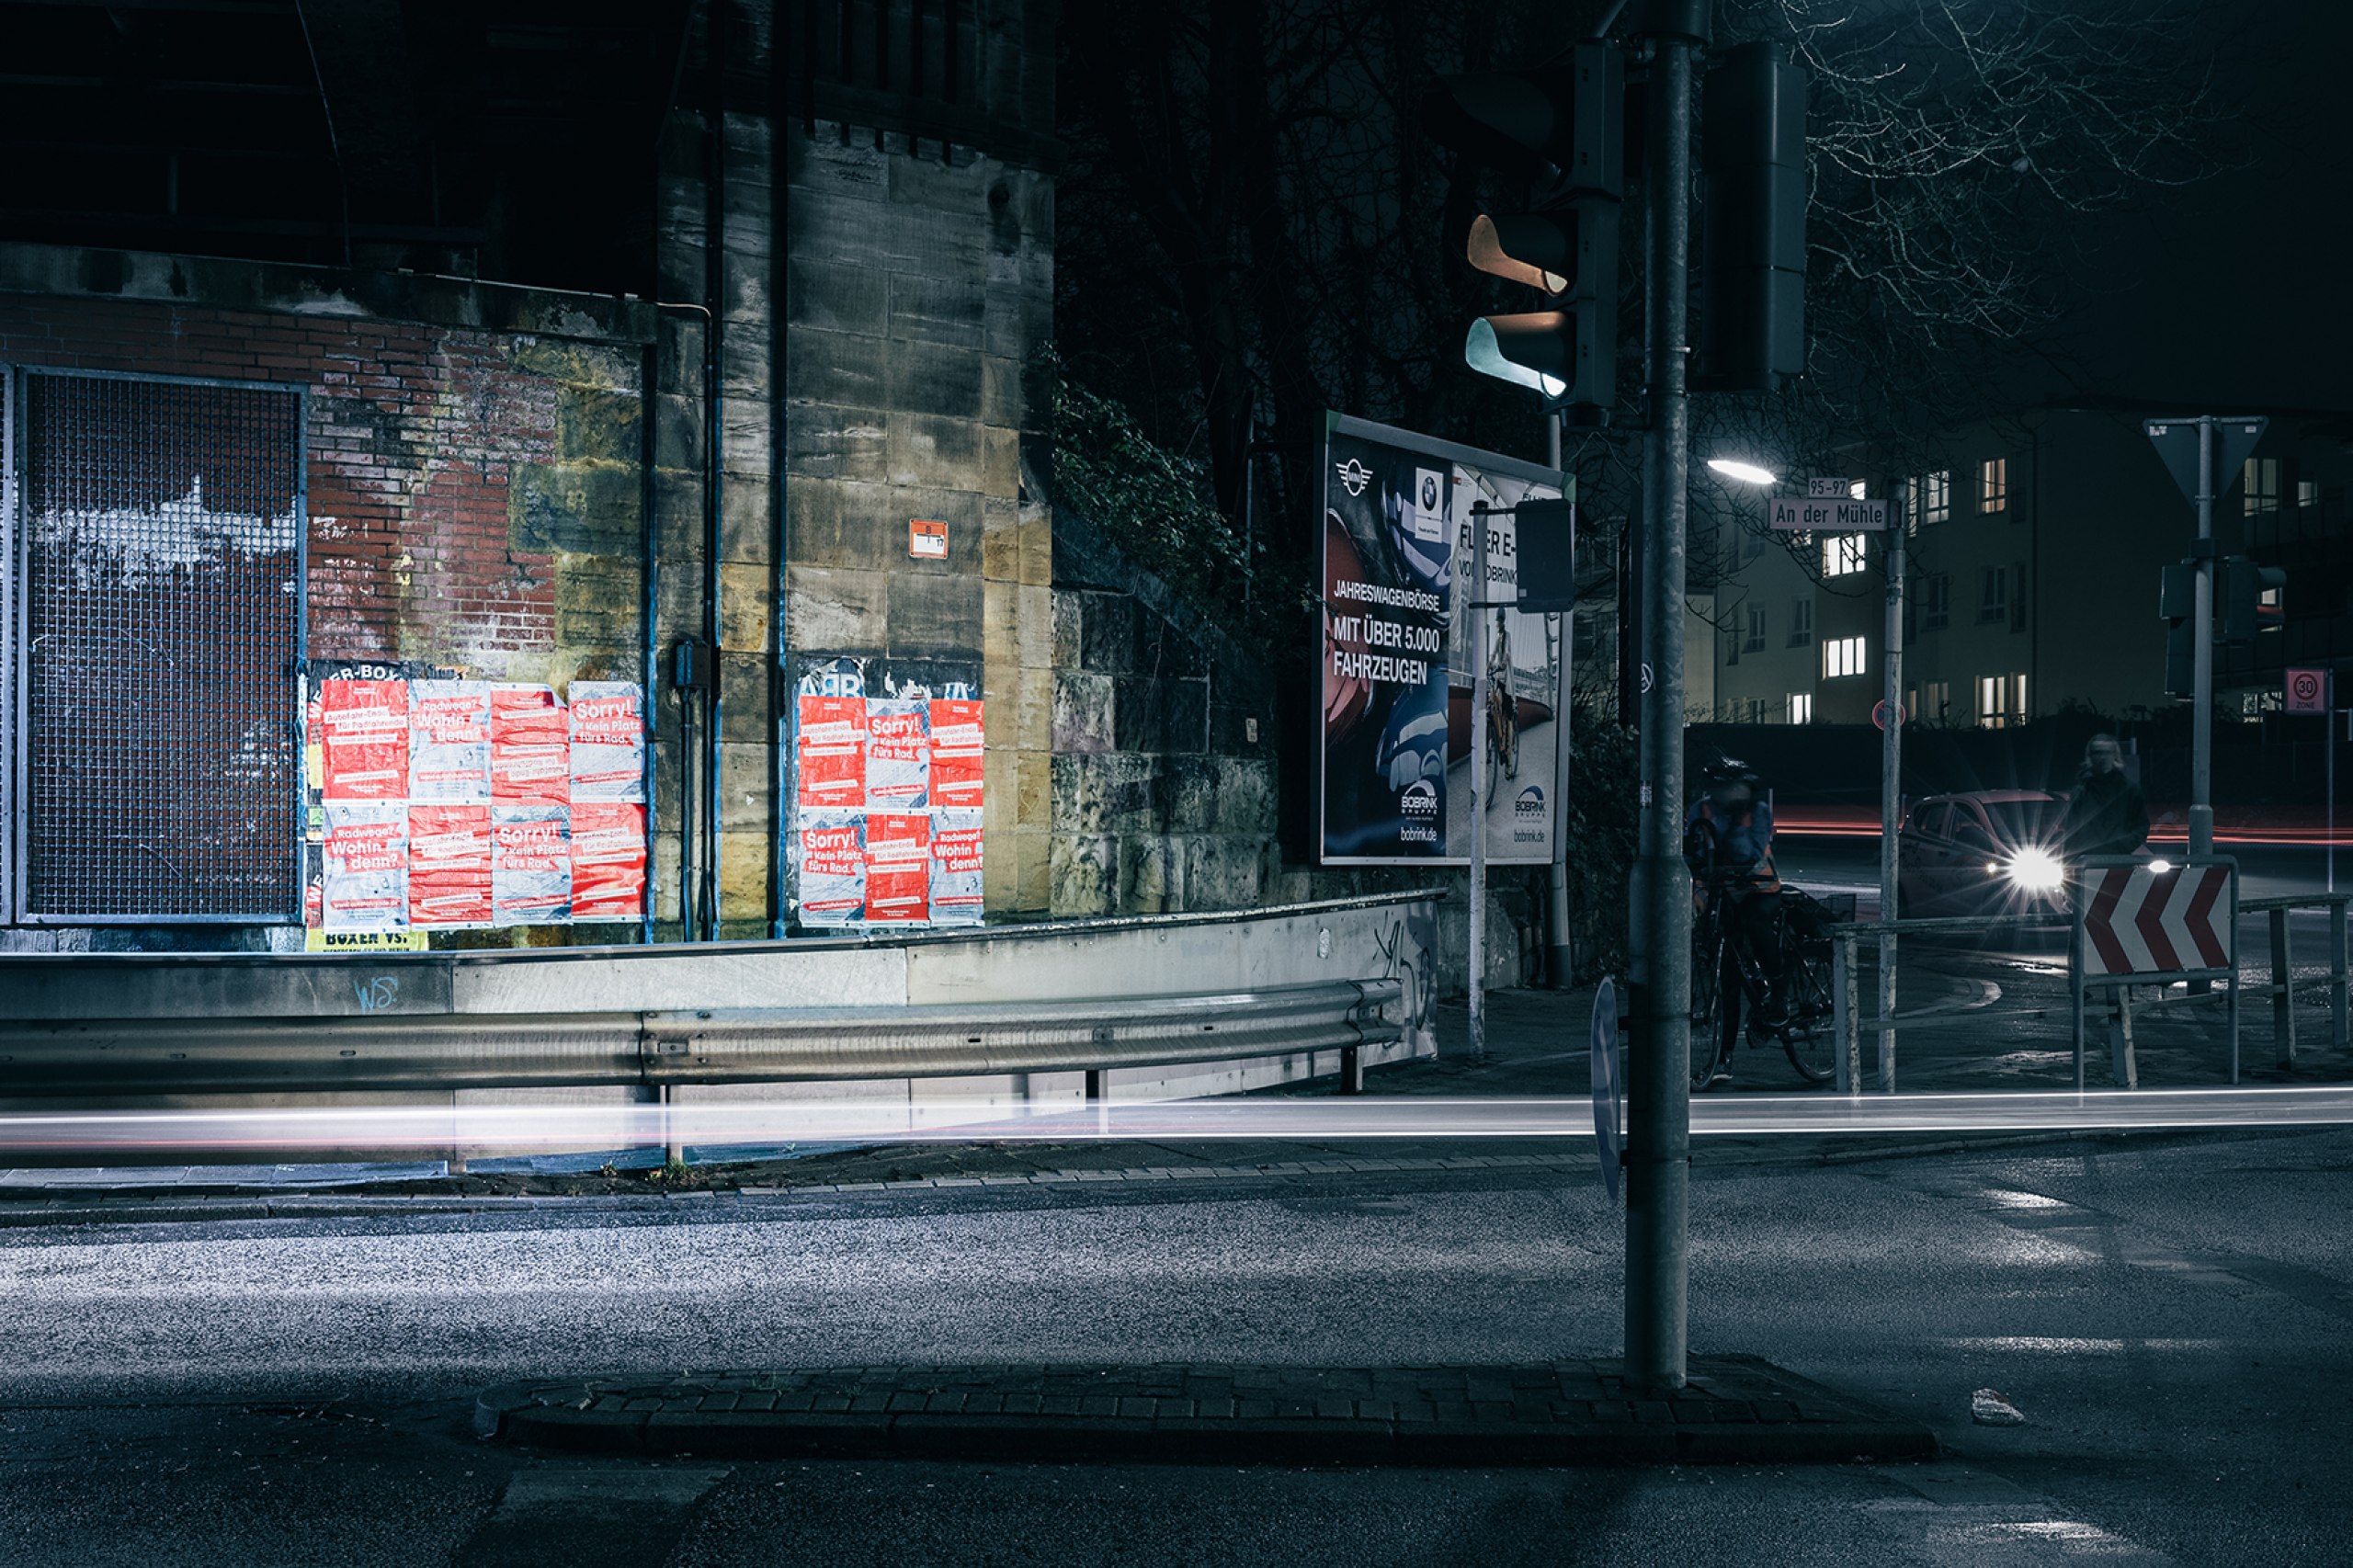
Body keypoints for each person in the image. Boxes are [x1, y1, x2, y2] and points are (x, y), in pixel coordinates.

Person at [1686, 754, 1789, 1079]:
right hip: (1723, 894)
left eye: (1735, 788)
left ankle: (1779, 995)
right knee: (1726, 975)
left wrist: (1732, 823)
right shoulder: (1701, 810)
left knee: (1756, 926)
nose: (1728, 794)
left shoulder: (1757, 812)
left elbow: (1750, 853)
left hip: (1759, 889)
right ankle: (1723, 1058)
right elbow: (1693, 848)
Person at [2060, 733, 2149, 858]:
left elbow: (2141, 826)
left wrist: (2122, 846)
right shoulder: (2080, 791)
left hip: (2119, 859)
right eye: (2098, 753)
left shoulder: (2130, 790)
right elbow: (2070, 830)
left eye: (2108, 753)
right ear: (2090, 756)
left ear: (2115, 755)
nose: (2103, 757)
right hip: (2087, 859)